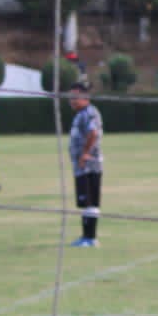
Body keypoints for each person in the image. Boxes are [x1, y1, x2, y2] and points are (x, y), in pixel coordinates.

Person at [67, 83, 103, 248]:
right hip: (82, 165)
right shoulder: (81, 114)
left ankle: (90, 238)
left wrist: (85, 154)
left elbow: (93, 132)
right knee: (87, 202)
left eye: (75, 97)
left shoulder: (89, 113)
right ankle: (87, 236)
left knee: (89, 201)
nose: (71, 100)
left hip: (89, 165)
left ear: (85, 97)